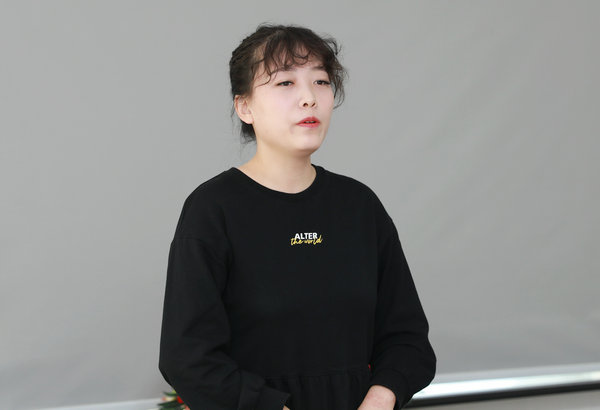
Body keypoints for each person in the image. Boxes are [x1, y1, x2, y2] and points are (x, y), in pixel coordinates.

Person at [158, 23, 436, 410]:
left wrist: (380, 398)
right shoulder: (212, 210)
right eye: (285, 83)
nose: (309, 98)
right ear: (245, 107)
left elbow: (408, 341)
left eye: (321, 82)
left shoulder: (359, 206)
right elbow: (187, 359)